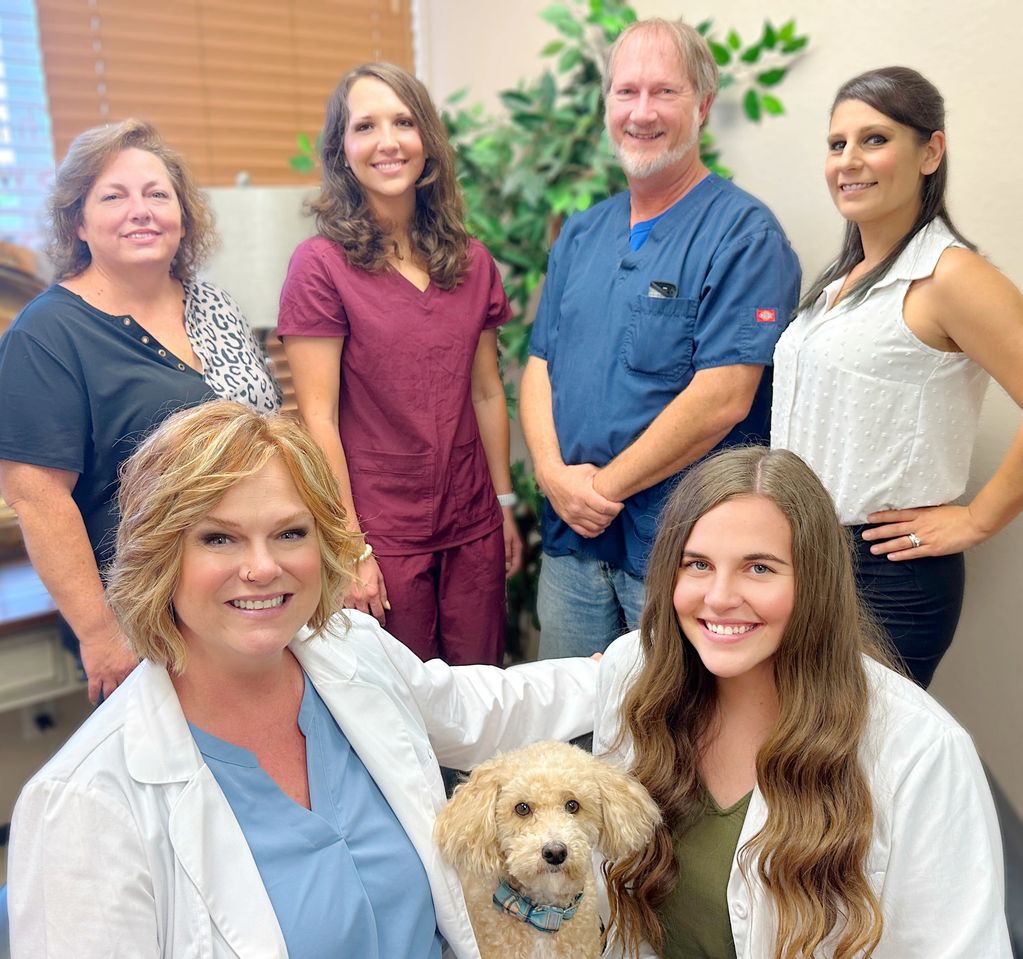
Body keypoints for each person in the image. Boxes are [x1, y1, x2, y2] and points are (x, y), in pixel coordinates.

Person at [8, 400, 597, 959]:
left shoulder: (347, 651)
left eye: (290, 532)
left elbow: (475, 708)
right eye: (218, 537)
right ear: (161, 556)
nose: (263, 568)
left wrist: (623, 669)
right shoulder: (84, 805)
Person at [592, 446, 1010, 959]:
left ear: (815, 581)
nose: (720, 597)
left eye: (759, 568)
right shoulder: (633, 674)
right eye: (697, 564)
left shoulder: (922, 752)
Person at [520, 18, 801, 660]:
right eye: (626, 93)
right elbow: (540, 362)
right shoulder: (583, 233)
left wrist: (603, 489)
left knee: (672, 742)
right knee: (568, 737)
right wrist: (552, 476)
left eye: (663, 93)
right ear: (607, 106)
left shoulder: (745, 236)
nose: (641, 113)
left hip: (681, 555)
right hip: (572, 547)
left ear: (702, 106)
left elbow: (725, 397)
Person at [0, 119, 281, 703]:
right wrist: (102, 635)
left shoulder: (212, 302)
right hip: (144, 621)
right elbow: (38, 497)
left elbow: (266, 437)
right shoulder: (48, 334)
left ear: (183, 213)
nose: (142, 210)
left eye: (158, 194)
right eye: (114, 196)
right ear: (77, 222)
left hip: (248, 595)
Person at [772, 67, 1023, 687]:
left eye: (875, 139)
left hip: (883, 576)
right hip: (802, 558)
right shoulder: (838, 286)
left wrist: (978, 519)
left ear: (930, 152)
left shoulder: (950, 275)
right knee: (800, 766)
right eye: (837, 144)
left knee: (864, 772)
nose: (850, 161)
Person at [278, 63, 521, 667]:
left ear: (427, 143)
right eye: (367, 126)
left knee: (481, 699)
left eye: (404, 122)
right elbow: (318, 417)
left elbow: (487, 394)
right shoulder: (320, 266)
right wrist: (349, 546)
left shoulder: (470, 261)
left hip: (473, 521)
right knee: (400, 715)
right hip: (381, 534)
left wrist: (505, 504)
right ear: (343, 150)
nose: (388, 141)